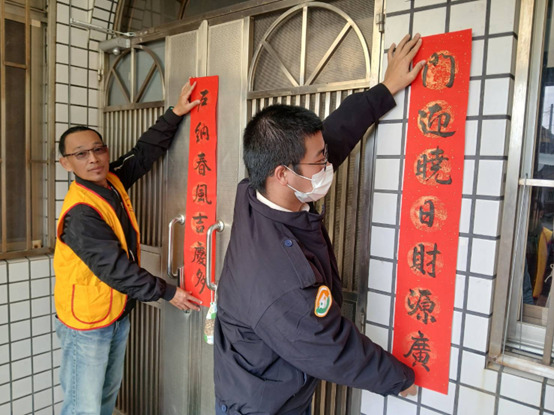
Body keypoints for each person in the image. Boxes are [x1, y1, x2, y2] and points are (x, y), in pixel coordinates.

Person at [214, 34, 425, 415]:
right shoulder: (277, 278)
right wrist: (399, 379)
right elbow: (329, 346)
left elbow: (334, 137)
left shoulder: (257, 190)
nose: (328, 165)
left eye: (324, 156)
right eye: (320, 161)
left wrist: (385, 90)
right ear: (283, 173)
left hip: (267, 382)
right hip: (264, 406)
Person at [54, 81, 202, 415]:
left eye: (98, 149)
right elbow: (115, 268)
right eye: (81, 154)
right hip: (86, 322)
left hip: (114, 312)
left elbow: (143, 152)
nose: (94, 159)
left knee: (106, 398)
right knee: (83, 407)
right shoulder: (81, 213)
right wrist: (168, 292)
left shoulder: (111, 180)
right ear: (66, 163)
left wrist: (176, 113)